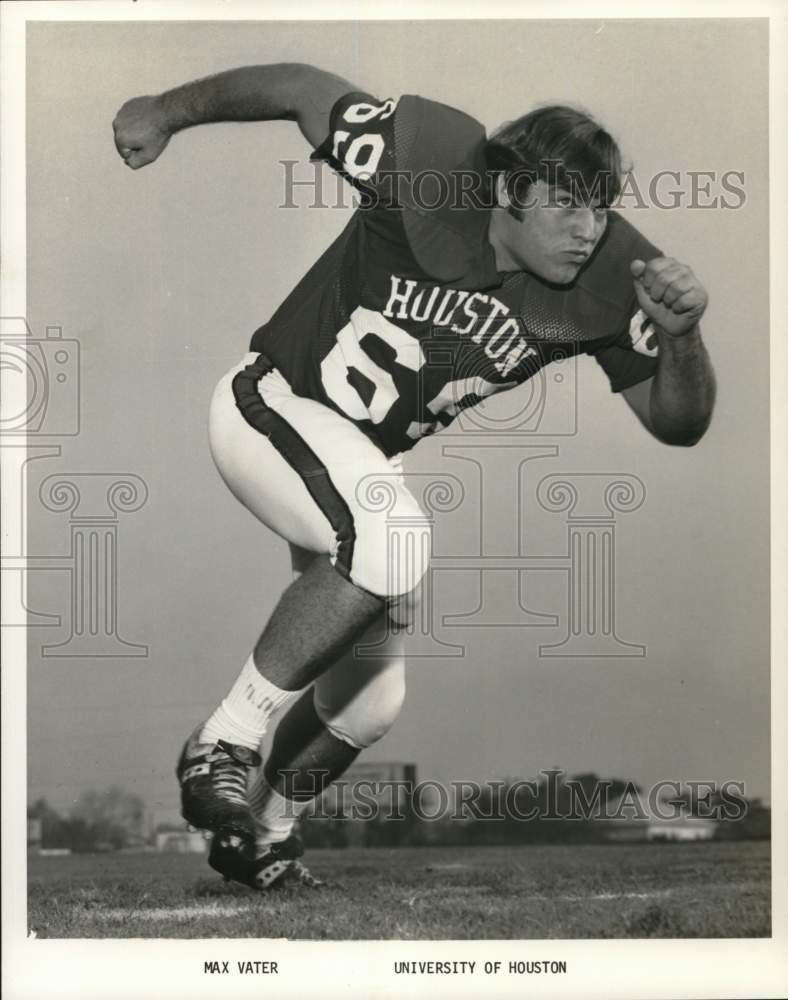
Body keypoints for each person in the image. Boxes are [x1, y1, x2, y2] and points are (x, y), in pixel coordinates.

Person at [112, 63, 715, 890]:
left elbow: (678, 425)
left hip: (360, 463)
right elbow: (296, 87)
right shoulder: (426, 162)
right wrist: (163, 109)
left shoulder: (613, 275)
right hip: (274, 403)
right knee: (390, 535)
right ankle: (222, 741)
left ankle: (264, 831)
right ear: (505, 190)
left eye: (602, 206)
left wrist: (682, 339)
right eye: (568, 203)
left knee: (369, 705)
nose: (590, 229)